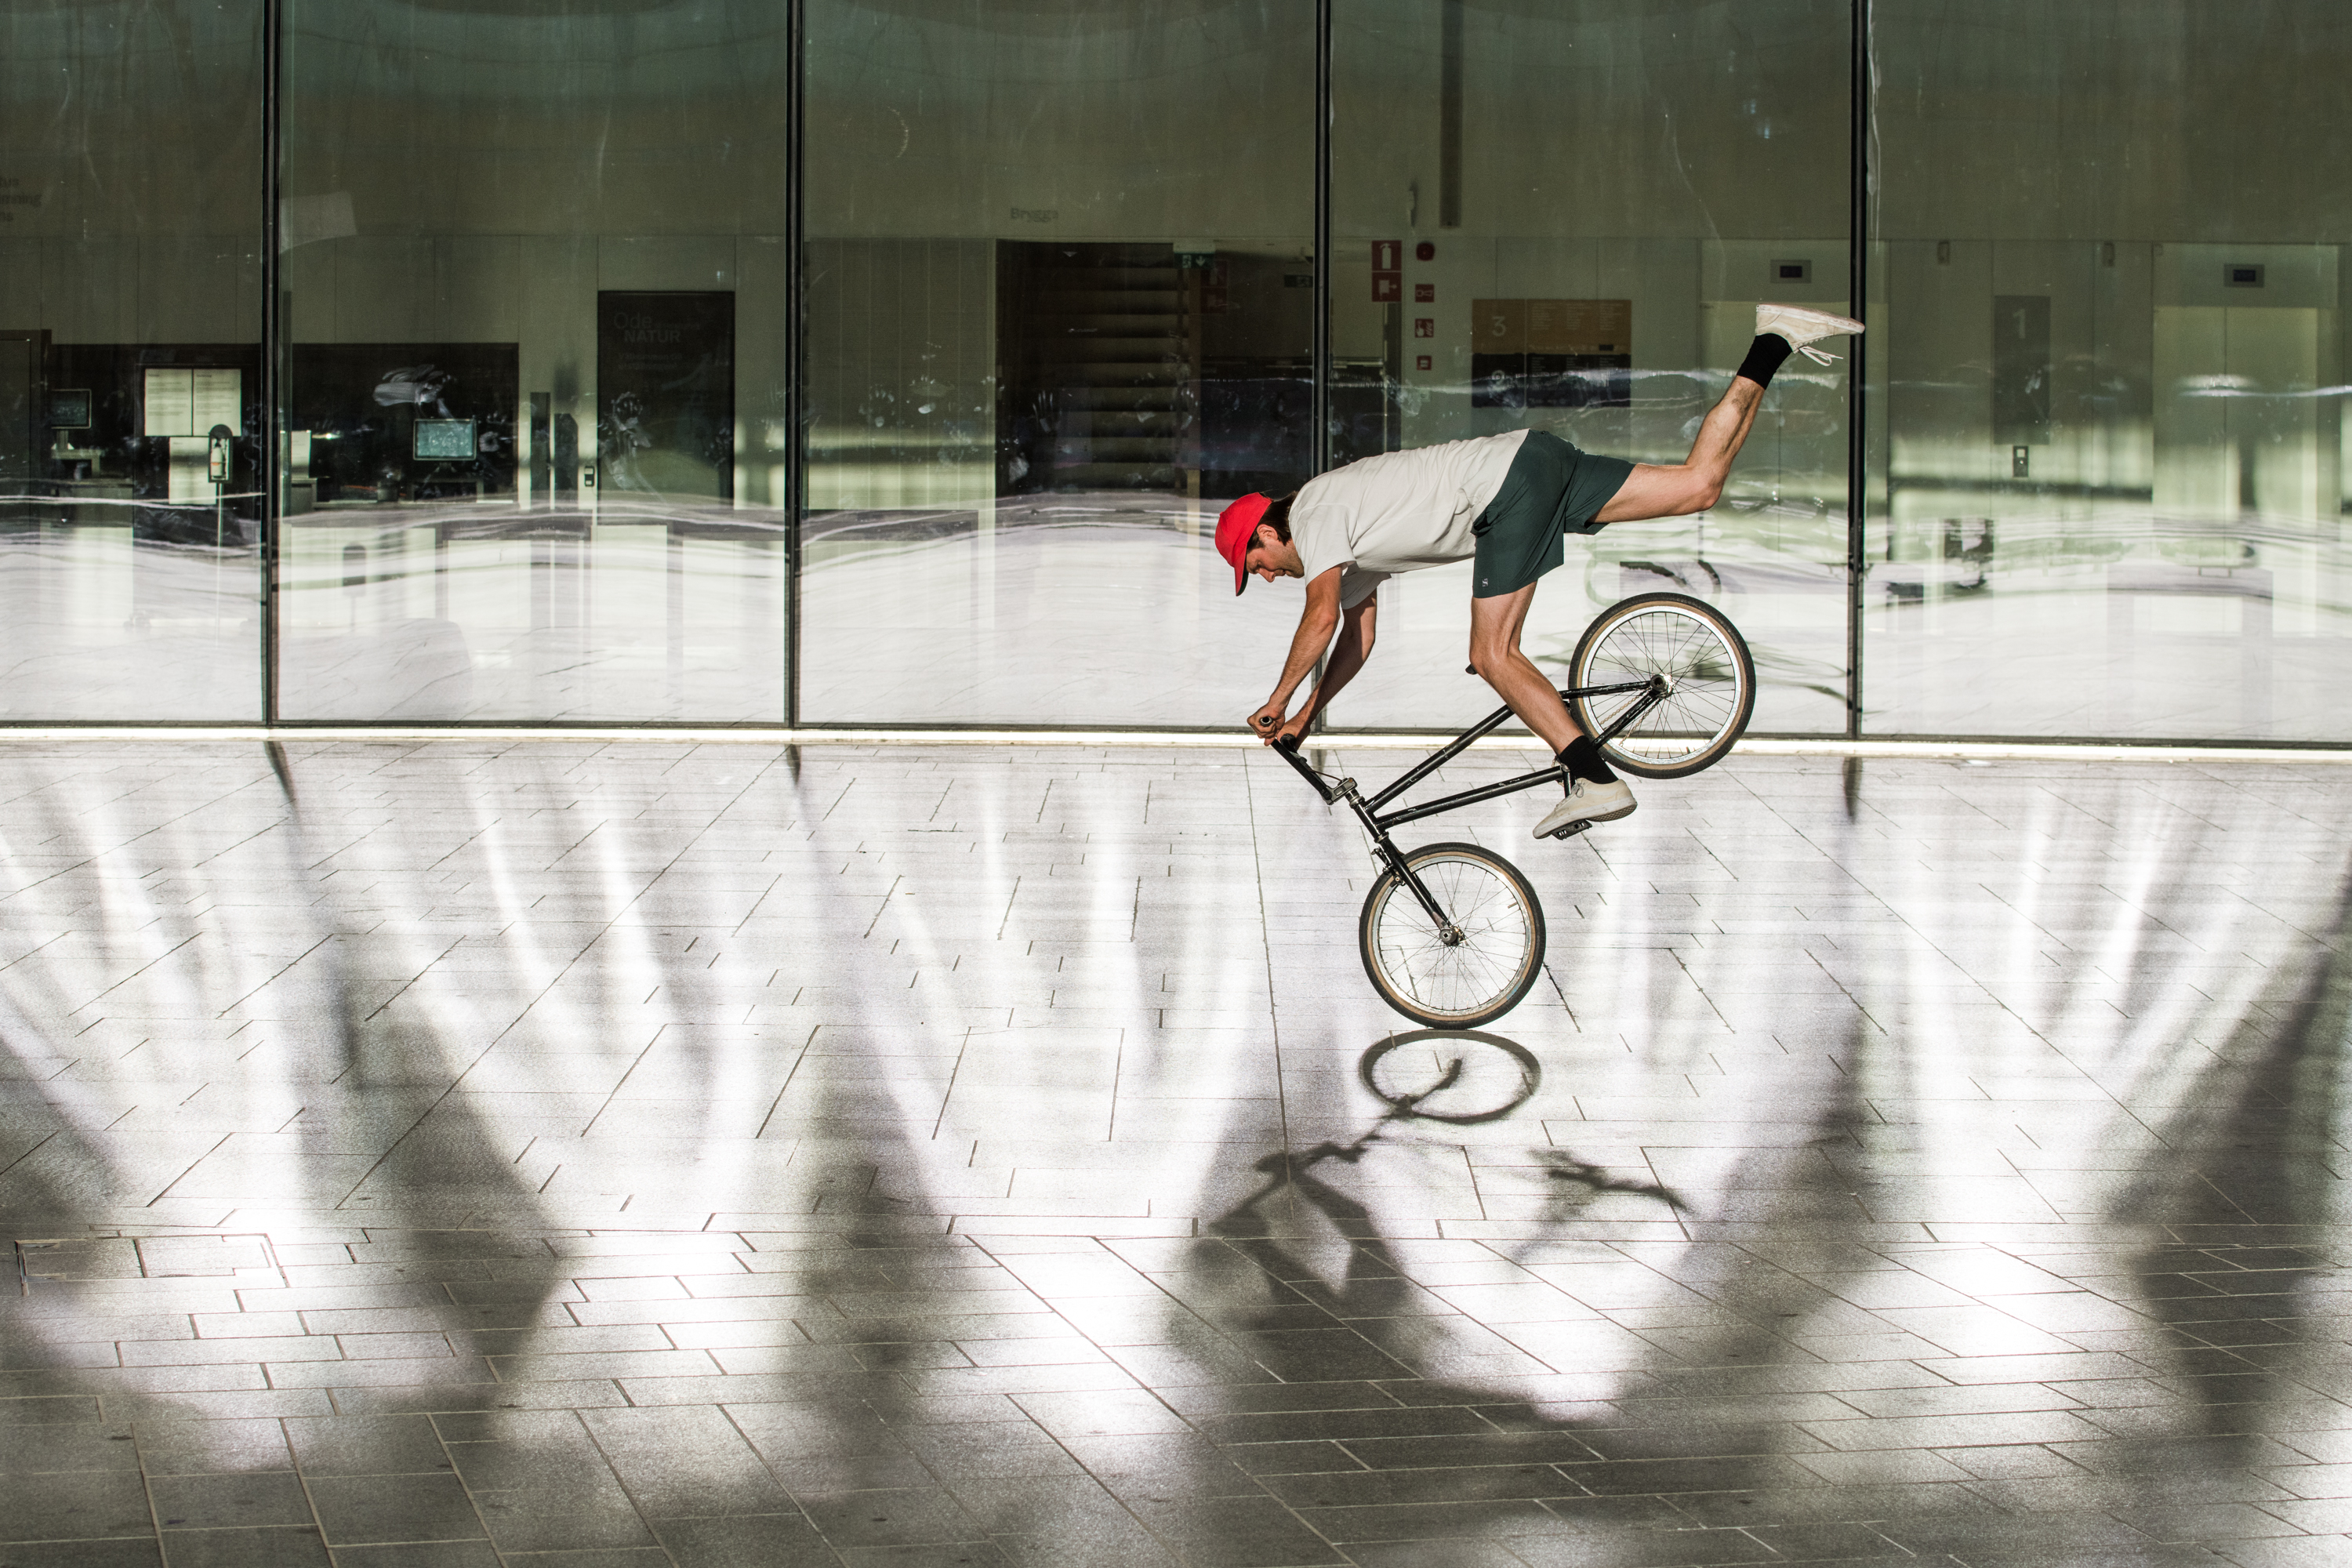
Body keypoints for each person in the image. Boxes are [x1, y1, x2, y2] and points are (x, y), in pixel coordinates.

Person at [1217, 303, 1862, 839]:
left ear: (1267, 531)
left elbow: (1321, 617)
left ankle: (1594, 779)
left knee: (1491, 653)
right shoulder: (1345, 548)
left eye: (1257, 565)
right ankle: (1773, 342)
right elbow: (1356, 637)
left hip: (1504, 488)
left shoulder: (1315, 511)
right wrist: (1308, 714)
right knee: (1698, 486)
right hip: (1533, 460)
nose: (1267, 577)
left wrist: (1277, 701)